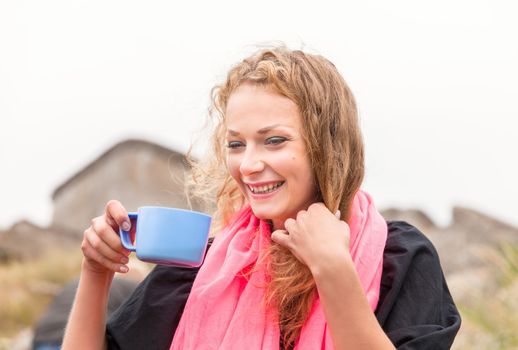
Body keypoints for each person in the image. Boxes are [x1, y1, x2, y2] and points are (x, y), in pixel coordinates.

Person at [62, 46, 461, 350]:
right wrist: (96, 272)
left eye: (274, 141)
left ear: (328, 146)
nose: (249, 165)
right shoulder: (199, 270)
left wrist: (333, 268)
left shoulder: (400, 259)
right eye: (236, 144)